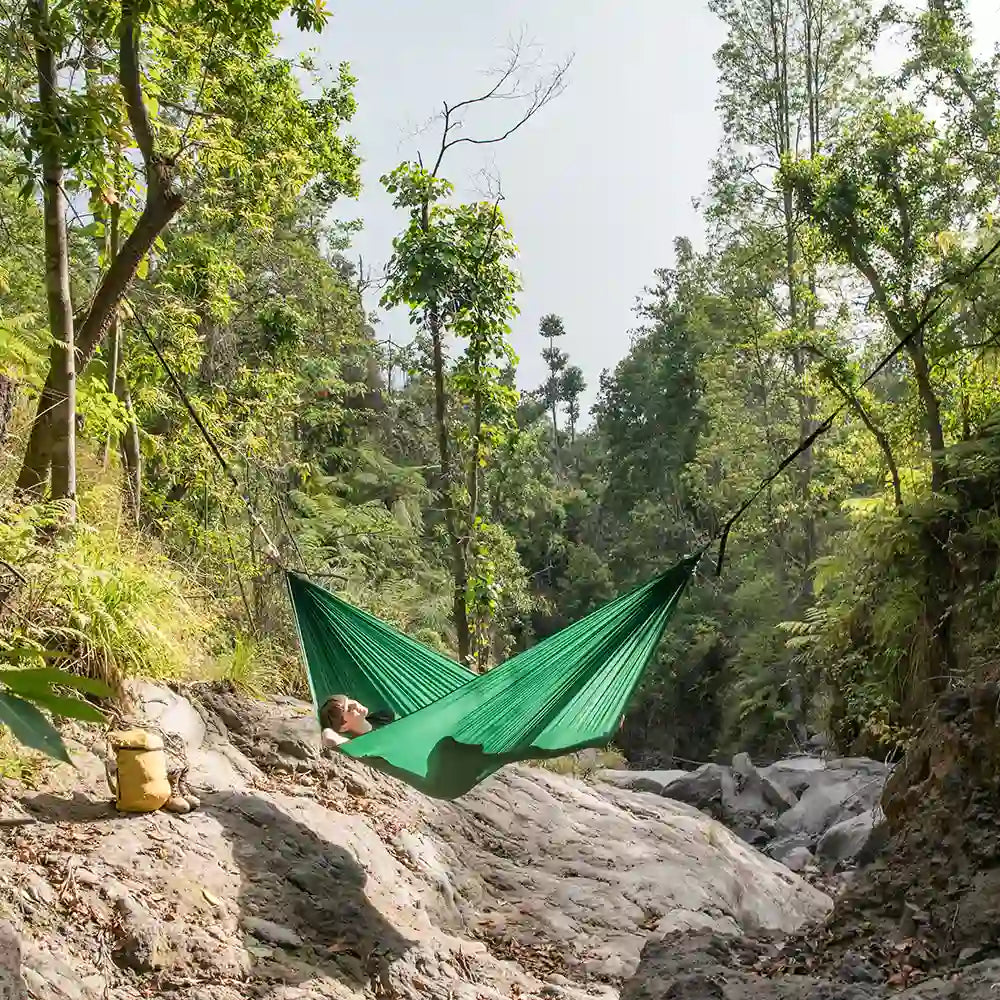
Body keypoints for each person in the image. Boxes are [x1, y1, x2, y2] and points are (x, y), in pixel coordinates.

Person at [319, 695, 394, 748]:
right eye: (349, 709)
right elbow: (328, 735)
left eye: (349, 701)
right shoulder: (362, 745)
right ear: (343, 727)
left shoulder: (384, 716)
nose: (355, 704)